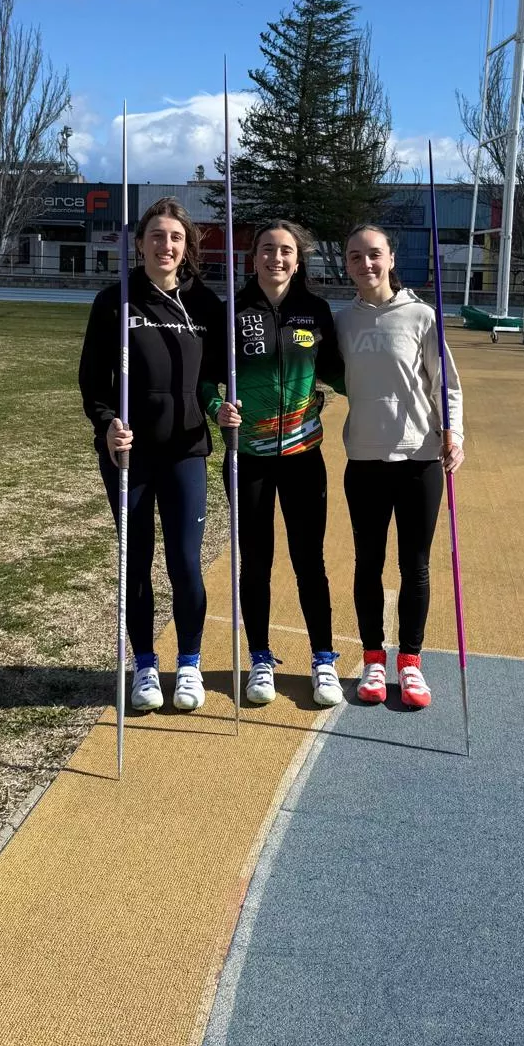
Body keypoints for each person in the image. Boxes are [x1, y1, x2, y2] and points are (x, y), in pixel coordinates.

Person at [79, 197, 225, 714]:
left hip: (186, 451)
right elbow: (93, 383)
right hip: (130, 455)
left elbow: (222, 378)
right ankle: (144, 663)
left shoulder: (207, 306)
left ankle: (188, 663)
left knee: (185, 561)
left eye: (176, 238)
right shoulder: (113, 302)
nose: (166, 246)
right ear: (139, 244)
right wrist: (107, 427)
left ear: (187, 248)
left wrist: (224, 407)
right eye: (157, 236)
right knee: (135, 561)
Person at [210, 221, 345, 709]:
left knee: (310, 561)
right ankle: (261, 657)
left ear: (299, 258)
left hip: (305, 459)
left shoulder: (316, 312)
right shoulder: (234, 312)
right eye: (267, 250)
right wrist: (216, 410)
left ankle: (323, 658)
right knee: (257, 561)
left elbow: (340, 373)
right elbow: (206, 380)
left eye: (286, 251)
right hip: (249, 460)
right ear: (254, 258)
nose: (276, 258)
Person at [335, 224, 464, 708]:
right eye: (354, 257)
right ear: (345, 265)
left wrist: (457, 434)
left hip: (419, 460)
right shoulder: (341, 321)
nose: (365, 265)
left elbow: (445, 383)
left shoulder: (423, 316)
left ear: (390, 258)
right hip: (364, 462)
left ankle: (410, 663)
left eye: (373, 255)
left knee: (416, 566)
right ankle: (372, 658)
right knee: (368, 564)